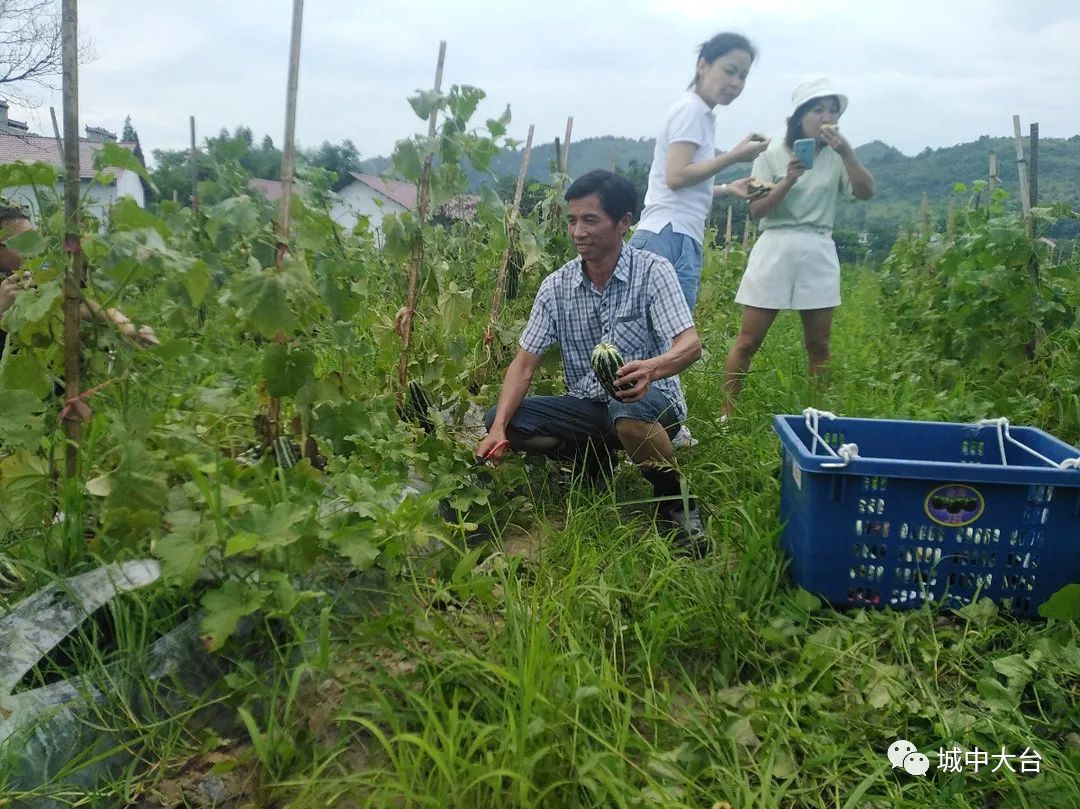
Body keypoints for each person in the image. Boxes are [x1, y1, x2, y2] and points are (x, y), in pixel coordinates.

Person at [476, 170, 707, 553]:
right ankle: (595, 461)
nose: (578, 232)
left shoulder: (653, 272)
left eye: (590, 220)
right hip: (588, 406)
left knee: (628, 415)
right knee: (503, 419)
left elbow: (690, 344)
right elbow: (524, 363)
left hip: (650, 402)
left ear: (623, 224)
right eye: (572, 220)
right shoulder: (556, 287)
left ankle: (675, 502)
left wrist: (652, 368)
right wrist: (498, 428)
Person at [627, 32, 770, 445]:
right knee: (670, 335)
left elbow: (681, 181)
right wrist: (734, 157)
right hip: (668, 235)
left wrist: (727, 189)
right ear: (702, 65)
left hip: (673, 231)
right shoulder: (692, 111)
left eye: (743, 76)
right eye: (730, 70)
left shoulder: (701, 114)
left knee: (659, 331)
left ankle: (662, 421)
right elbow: (676, 175)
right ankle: (666, 425)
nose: (736, 83)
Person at [722, 78, 875, 417]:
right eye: (818, 109)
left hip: (818, 245)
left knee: (819, 344)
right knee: (748, 341)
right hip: (776, 243)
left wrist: (847, 152)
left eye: (833, 110)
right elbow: (758, 210)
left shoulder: (838, 155)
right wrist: (788, 180)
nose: (826, 116)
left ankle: (821, 415)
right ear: (799, 116)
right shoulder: (773, 151)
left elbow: (865, 192)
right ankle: (727, 413)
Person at [0, 204, 159, 361]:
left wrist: (122, 322)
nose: (37, 248)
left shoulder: (35, 275)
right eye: (25, 242)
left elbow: (74, 304)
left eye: (36, 238)